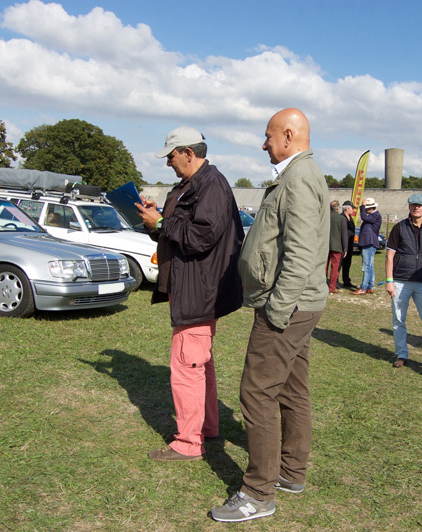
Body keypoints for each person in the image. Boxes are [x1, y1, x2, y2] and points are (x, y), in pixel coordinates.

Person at [210, 108, 329, 522]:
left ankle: (257, 493)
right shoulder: (299, 174)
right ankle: (291, 472)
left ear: (289, 135)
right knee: (292, 389)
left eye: (268, 136)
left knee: (257, 392)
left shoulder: (298, 177)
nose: (264, 144)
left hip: (288, 305)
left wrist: (277, 309)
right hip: (299, 302)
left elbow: (300, 253)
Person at [137, 126, 244, 461]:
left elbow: (201, 237)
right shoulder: (190, 186)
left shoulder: (211, 185)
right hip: (194, 287)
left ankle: (188, 443)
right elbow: (176, 232)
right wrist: (154, 218)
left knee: (186, 365)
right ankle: (206, 428)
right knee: (200, 363)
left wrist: (160, 224)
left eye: (171, 156)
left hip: (200, 289)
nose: (168, 163)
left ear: (188, 152)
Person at [385, 192, 422, 369]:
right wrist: (389, 280)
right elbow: (389, 256)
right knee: (399, 320)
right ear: (409, 206)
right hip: (401, 281)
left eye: (420, 205)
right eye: (414, 204)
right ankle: (401, 354)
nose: (417, 207)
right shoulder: (399, 228)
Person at [350, 198, 382, 295]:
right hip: (369, 243)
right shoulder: (374, 216)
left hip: (369, 243)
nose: (365, 211)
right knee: (370, 266)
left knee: (366, 266)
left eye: (366, 209)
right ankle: (370, 286)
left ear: (370, 208)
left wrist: (362, 206)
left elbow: (364, 217)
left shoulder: (375, 215)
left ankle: (363, 288)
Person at [326, 201, 348, 293]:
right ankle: (332, 287)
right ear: (338, 208)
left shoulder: (326, 217)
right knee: (335, 268)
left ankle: (322, 284)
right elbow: (344, 234)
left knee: (324, 266)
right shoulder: (341, 219)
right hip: (337, 246)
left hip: (326, 245)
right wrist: (345, 248)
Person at [340, 201, 357, 289]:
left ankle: (346, 280)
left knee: (347, 263)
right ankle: (334, 281)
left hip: (350, 244)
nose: (353, 210)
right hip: (342, 244)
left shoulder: (350, 218)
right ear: (347, 208)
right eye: (352, 208)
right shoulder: (342, 217)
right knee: (339, 263)